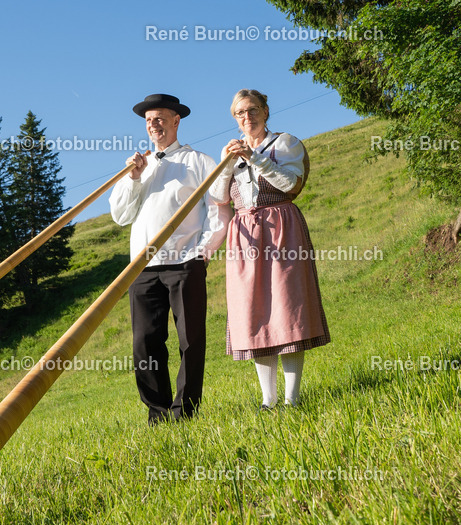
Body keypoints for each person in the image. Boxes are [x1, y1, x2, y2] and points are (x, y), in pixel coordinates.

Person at [208, 88, 330, 410]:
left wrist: (255, 158)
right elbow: (219, 198)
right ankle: (268, 399)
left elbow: (292, 185)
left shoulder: (285, 143)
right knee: (252, 312)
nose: (246, 117)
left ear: (265, 111)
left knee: (287, 307)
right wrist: (226, 163)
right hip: (244, 234)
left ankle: (292, 397)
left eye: (252, 110)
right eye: (240, 113)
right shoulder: (230, 151)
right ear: (234, 119)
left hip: (281, 229)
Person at [110, 94, 225, 424]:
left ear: (176, 121)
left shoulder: (199, 161)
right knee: (144, 343)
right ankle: (158, 414)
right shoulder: (139, 167)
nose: (153, 124)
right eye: (148, 120)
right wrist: (132, 177)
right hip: (143, 267)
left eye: (159, 118)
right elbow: (120, 214)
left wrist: (202, 253)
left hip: (184, 262)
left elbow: (217, 210)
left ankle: (185, 412)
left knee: (190, 340)